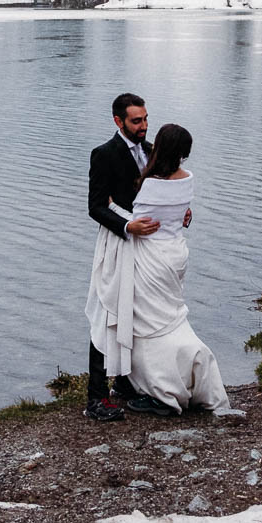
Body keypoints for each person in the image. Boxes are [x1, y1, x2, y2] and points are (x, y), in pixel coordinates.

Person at [123, 124, 229, 415]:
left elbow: (139, 221)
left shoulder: (153, 184)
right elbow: (179, 215)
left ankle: (163, 391)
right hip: (177, 253)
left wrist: (113, 208)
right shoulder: (188, 179)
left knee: (148, 323)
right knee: (171, 315)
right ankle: (190, 370)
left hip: (152, 257)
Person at [83, 93, 160, 421]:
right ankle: (96, 399)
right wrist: (127, 225)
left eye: (145, 119)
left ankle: (126, 385)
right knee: (107, 311)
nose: (143, 126)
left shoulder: (153, 150)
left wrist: (182, 217)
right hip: (119, 240)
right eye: (136, 121)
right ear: (118, 121)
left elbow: (164, 195)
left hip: (148, 246)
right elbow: (95, 206)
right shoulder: (104, 154)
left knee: (139, 311)